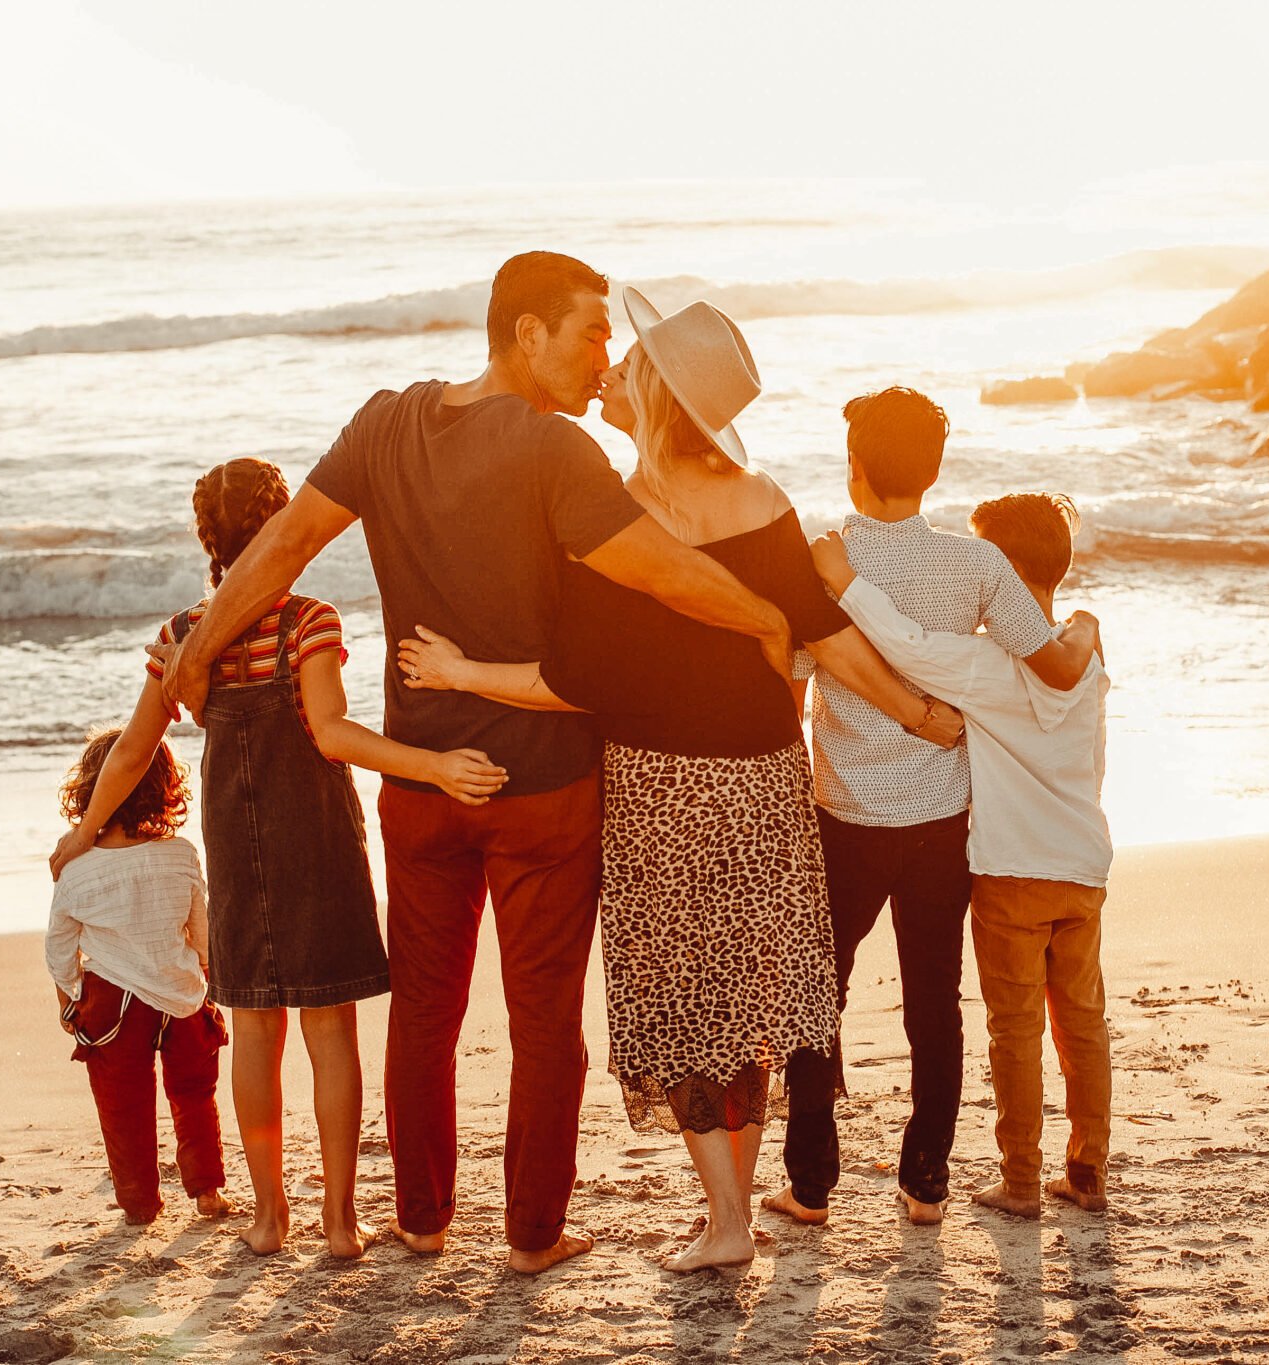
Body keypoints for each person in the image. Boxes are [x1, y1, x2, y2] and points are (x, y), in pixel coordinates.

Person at [156, 253, 796, 1276]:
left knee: (426, 1011)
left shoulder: (382, 424)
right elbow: (664, 572)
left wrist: (195, 655)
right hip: (542, 788)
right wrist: (770, 618)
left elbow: (278, 549)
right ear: (525, 334)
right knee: (542, 1022)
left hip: (417, 783)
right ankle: (532, 1236)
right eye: (590, 332)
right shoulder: (557, 450)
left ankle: (419, 1220)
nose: (604, 357)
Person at [396, 288, 962, 1272]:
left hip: (662, 793)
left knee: (680, 1007)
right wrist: (922, 716)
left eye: (631, 364)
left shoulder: (617, 519)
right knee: (740, 1002)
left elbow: (567, 682)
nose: (609, 370)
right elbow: (829, 641)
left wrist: (455, 672)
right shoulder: (765, 499)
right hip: (765, 786)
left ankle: (731, 1221)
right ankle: (727, 1213)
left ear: (656, 394)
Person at [52, 457, 507, 1259]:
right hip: (318, 841)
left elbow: (130, 750)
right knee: (331, 1031)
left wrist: (82, 832)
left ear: (210, 539)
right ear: (283, 528)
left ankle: (268, 1216)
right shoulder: (308, 622)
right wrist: (434, 764)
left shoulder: (184, 639)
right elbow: (331, 733)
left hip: (236, 844)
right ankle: (338, 1219)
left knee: (256, 1032)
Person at [765, 389, 1101, 1229]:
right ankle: (926, 1182)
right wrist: (1090, 630)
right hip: (941, 822)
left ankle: (810, 1184)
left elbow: (790, 687)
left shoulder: (825, 563)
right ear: (936, 470)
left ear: (854, 464)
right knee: (934, 1003)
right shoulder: (977, 565)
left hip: (841, 814)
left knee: (816, 995)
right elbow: (1042, 658)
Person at [46, 729, 233, 1227]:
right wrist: (208, 974)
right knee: (195, 1092)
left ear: (87, 790)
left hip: (113, 1001)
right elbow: (202, 928)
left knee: (123, 1105)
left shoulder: (76, 867)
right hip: (180, 990)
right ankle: (207, 1189)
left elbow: (60, 945)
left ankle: (139, 1204)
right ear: (166, 787)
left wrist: (68, 996)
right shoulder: (180, 854)